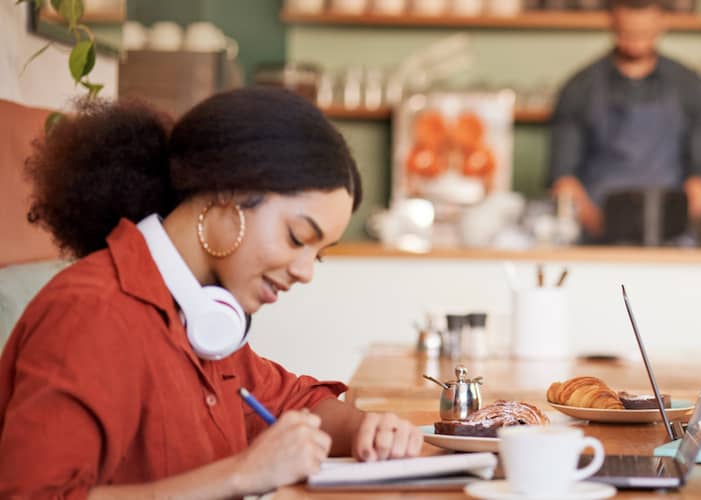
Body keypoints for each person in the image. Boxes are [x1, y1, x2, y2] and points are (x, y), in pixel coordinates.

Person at [0, 88, 426, 498]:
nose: (304, 272)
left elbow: (296, 401)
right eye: (297, 238)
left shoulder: (201, 315)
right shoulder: (93, 312)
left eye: (319, 255)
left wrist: (366, 430)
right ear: (229, 191)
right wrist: (241, 474)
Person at [548, 0, 701, 240]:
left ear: (662, 23)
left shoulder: (690, 85)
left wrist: (675, 223)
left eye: (644, 34)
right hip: (598, 235)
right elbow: (562, 177)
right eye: (628, 34)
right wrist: (599, 224)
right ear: (612, 22)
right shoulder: (579, 87)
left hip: (673, 237)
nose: (636, 42)